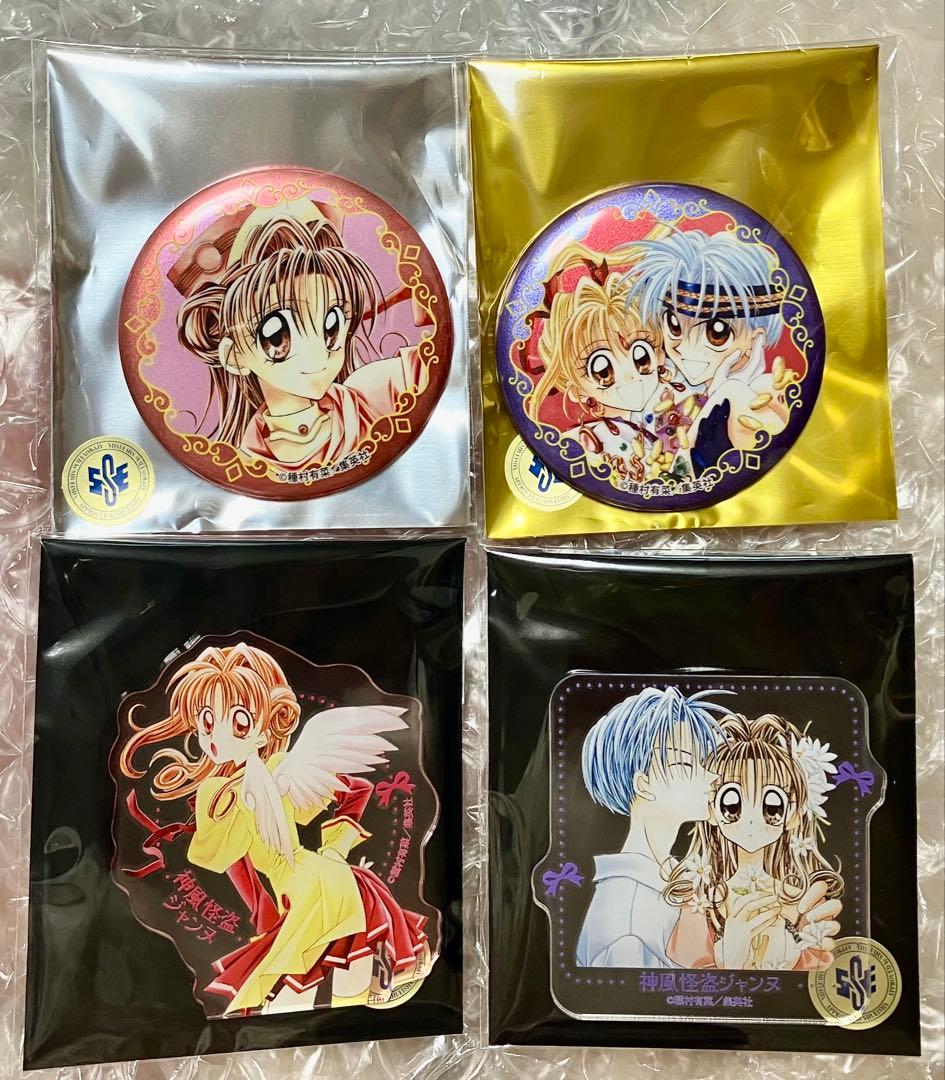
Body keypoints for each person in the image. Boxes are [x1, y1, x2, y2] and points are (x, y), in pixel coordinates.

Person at [576, 686, 729, 968]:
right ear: (643, 784)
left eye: (705, 762)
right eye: (687, 763)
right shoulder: (628, 919)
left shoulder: (672, 880)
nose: (712, 777)